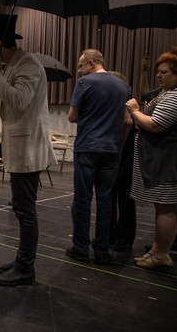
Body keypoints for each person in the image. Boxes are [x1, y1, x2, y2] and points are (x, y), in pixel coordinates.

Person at [0, 14, 57, 286]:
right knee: (21, 208)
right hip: (21, 147)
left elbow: (20, 100)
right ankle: (22, 260)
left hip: (29, 150)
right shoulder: (14, 64)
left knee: (25, 210)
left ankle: (26, 267)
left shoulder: (29, 65)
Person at [67, 49, 131, 264]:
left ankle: (81, 247)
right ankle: (102, 248)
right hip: (111, 149)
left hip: (88, 146)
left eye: (80, 66)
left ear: (91, 63)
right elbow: (127, 121)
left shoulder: (85, 84)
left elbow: (72, 116)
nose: (79, 71)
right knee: (105, 201)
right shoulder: (122, 86)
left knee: (83, 199)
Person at [125, 46, 177, 270]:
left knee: (167, 208)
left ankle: (162, 255)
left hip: (168, 163)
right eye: (158, 71)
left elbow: (155, 125)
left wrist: (134, 110)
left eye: (165, 72)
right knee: (162, 207)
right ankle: (157, 252)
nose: (159, 75)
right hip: (160, 161)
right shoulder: (166, 94)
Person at [108, 72, 137, 252]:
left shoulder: (127, 105)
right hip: (116, 153)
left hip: (122, 155)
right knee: (112, 196)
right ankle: (112, 234)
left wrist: (119, 148)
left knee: (123, 197)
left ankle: (123, 236)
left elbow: (128, 124)